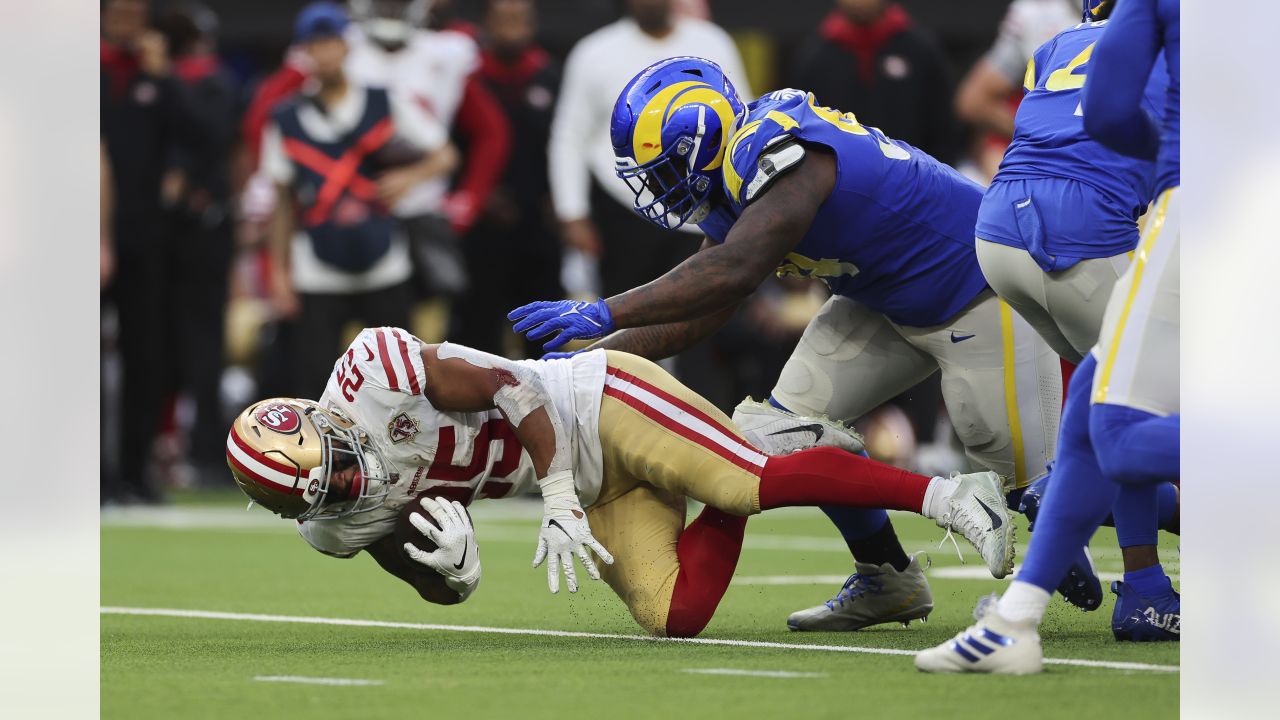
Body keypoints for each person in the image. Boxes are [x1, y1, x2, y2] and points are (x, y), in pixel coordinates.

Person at [509, 56, 1063, 632]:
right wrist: (589, 365)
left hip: (975, 289)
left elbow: (737, 271)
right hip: (884, 303)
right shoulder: (735, 179)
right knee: (788, 432)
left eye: (664, 167)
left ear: (699, 141)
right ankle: (886, 577)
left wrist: (604, 309)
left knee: (1034, 493)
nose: (657, 186)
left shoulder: (775, 146)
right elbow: (703, 309)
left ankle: (1147, 573)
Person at [226, 327, 1014, 637]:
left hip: (593, 403)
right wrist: (454, 578)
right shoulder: (334, 521)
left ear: (317, 416)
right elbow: (419, 572)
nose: (351, 484)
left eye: (338, 462)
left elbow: (514, 386)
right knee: (675, 617)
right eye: (328, 490)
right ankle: (769, 443)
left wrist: (559, 496)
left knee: (741, 483)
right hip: (599, 486)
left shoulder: (376, 373)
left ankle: (950, 496)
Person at [917, 0, 1181, 674]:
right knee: (1117, 413)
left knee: (1109, 406)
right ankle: (1132, 585)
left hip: (999, 229)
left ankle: (1036, 590)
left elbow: (1101, 115)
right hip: (1100, 228)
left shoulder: (1061, 40)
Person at [259, 2, 458, 397]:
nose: (325, 53)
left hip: (384, 262)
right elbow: (281, 202)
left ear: (347, 47)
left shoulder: (382, 100)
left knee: (398, 382)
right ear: (304, 53)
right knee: (315, 384)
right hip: (315, 267)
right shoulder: (285, 117)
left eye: (332, 42)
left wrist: (408, 177)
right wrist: (278, 275)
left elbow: (445, 153)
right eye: (316, 45)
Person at [548, 0, 750, 299]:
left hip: (705, 204)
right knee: (628, 319)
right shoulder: (594, 51)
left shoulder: (712, 41)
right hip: (626, 205)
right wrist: (572, 211)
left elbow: (742, 119)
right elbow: (569, 136)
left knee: (702, 321)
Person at [450, 0, 563, 357]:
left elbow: (565, 144)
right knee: (478, 329)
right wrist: (476, 197)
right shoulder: (466, 79)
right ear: (487, 23)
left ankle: (549, 404)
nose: (512, 29)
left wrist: (558, 199)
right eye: (504, 20)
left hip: (539, 222)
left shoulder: (550, 76)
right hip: (483, 223)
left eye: (520, 20)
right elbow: (449, 145)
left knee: (543, 328)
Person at [791, 0, 958, 162]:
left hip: (913, 180)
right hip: (839, 183)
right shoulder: (814, 56)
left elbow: (944, 128)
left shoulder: (920, 49)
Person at [954, 0, 1078, 180]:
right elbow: (973, 101)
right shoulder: (1036, 14)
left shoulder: (1129, 15)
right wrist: (1046, 138)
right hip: (1053, 162)